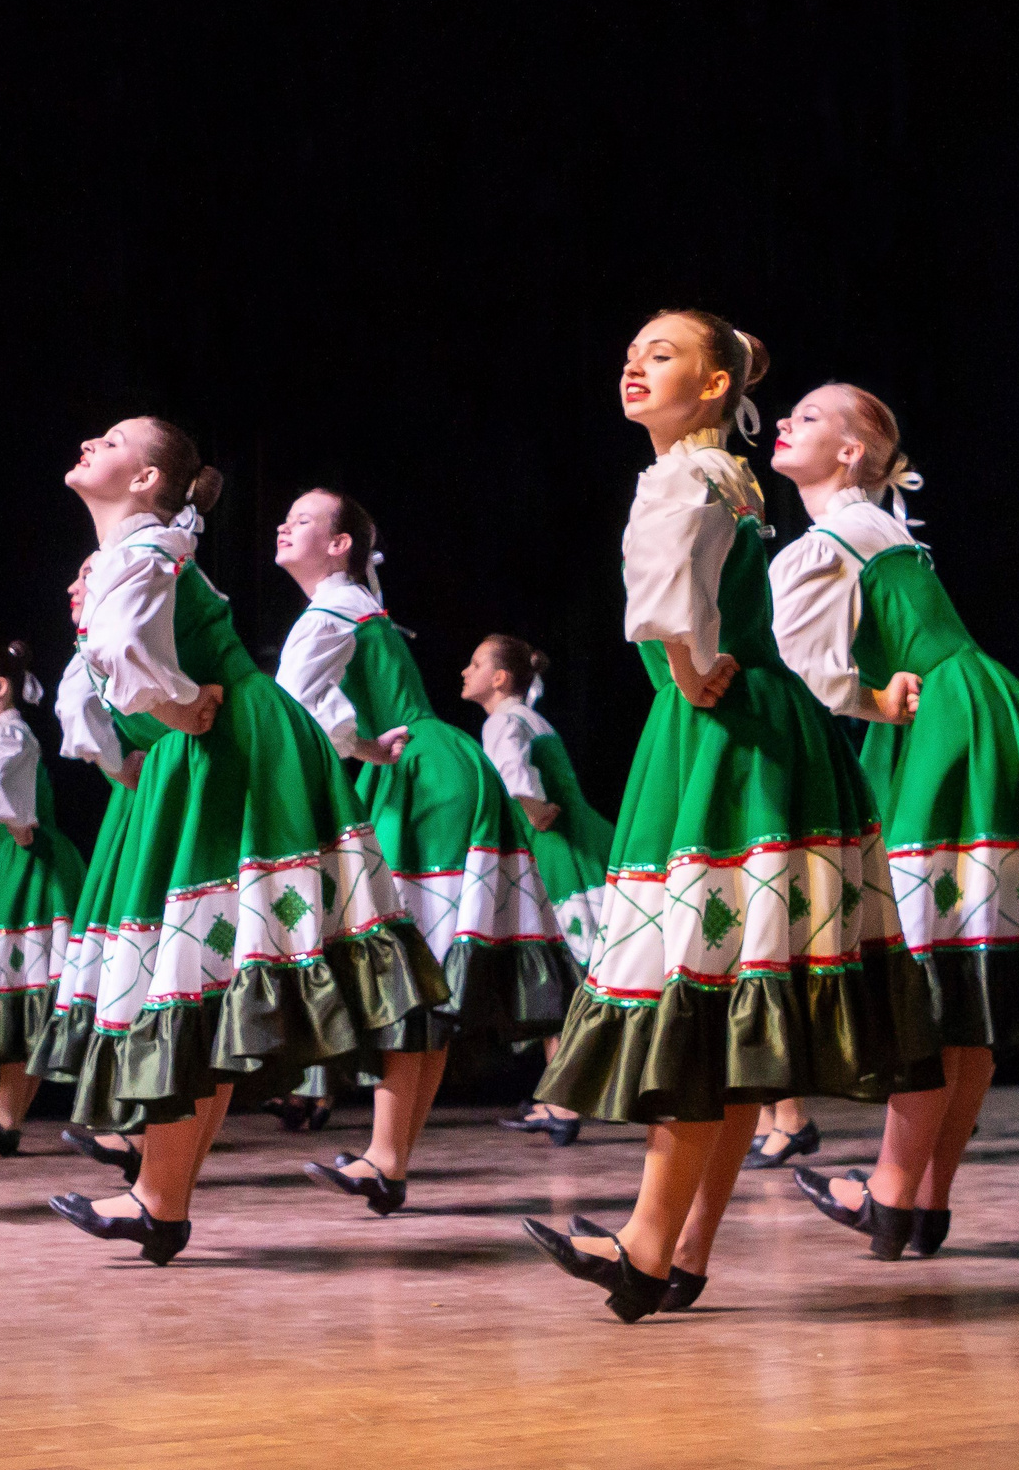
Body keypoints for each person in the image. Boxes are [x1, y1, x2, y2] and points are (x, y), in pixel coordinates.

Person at [521, 311, 932, 1320]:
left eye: (661, 354)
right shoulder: (731, 476)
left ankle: (648, 1240)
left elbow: (669, 594)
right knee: (737, 1002)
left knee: (700, 997)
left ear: (713, 386)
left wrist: (686, 663)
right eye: (630, 352)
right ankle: (681, 1247)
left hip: (720, 737)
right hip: (767, 732)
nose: (634, 364)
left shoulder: (687, 476)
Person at [765, 382, 1019, 1257]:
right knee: (968, 974)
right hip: (974, 706)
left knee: (935, 977)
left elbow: (805, 663)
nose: (786, 422)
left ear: (850, 452)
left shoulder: (833, 538)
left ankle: (891, 1190)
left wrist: (868, 699)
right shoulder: (877, 528)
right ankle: (923, 1197)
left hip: (938, 726)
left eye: (809, 416)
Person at [45, 417, 445, 1264]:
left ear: (147, 479)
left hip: (233, 749)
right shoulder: (136, 553)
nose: (89, 444)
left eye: (112, 441)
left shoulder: (147, 549)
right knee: (206, 983)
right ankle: (160, 1199)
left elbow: (122, 651)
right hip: (214, 752)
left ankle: (161, 1198)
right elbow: (109, 667)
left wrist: (172, 704)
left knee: (199, 976)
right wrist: (163, 714)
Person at [274, 489, 576, 1208]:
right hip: (429, 766)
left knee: (410, 972)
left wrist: (348, 753)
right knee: (423, 978)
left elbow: (292, 706)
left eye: (304, 519)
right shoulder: (354, 606)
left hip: (422, 782)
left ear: (342, 544)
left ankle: (386, 1157)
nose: (284, 526)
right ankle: (390, 1162)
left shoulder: (333, 608)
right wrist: (364, 747)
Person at [37, 555, 167, 1173]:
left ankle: (144, 1128)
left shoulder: (127, 631)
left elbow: (83, 717)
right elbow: (79, 715)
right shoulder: (93, 649)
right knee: (145, 958)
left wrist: (120, 765)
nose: (73, 584)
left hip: (165, 787)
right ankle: (136, 1124)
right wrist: (119, 766)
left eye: (87, 573)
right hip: (147, 794)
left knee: (162, 954)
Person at [463, 633, 615, 1145]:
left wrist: (533, 810)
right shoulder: (528, 717)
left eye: (476, 664)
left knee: (576, 969)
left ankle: (572, 1098)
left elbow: (516, 777)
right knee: (561, 973)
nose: (465, 671)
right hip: (572, 845)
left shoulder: (504, 720)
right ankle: (559, 1100)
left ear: (500, 678)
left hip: (562, 852)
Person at [0, 640, 89, 1158]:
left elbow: (6, 796)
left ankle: (14, 1116)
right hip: (19, 863)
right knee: (23, 993)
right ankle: (6, 1118)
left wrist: (16, 826)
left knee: (34, 988)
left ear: (0, 687)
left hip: (35, 864)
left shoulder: (10, 734)